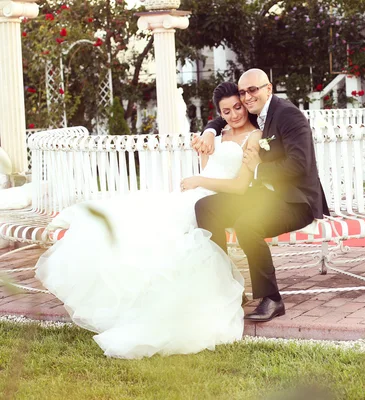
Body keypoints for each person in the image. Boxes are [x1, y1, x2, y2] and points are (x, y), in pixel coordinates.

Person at [35, 82, 262, 359]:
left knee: (161, 230)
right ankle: (124, 287)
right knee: (141, 215)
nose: (234, 115)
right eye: (226, 111)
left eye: (237, 107)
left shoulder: (254, 136)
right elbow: (211, 168)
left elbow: (236, 184)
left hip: (215, 200)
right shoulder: (218, 131)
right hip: (198, 195)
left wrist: (198, 179)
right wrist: (204, 153)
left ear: (244, 102)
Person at [194, 69, 329, 322]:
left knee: (248, 225)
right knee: (206, 207)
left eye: (252, 90)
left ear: (269, 88)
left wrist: (258, 167)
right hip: (266, 196)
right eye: (243, 92)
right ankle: (228, 285)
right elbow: (225, 118)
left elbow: (301, 164)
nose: (246, 97)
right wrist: (209, 131)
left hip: (295, 200)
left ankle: (272, 299)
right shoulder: (259, 114)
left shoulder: (288, 115)